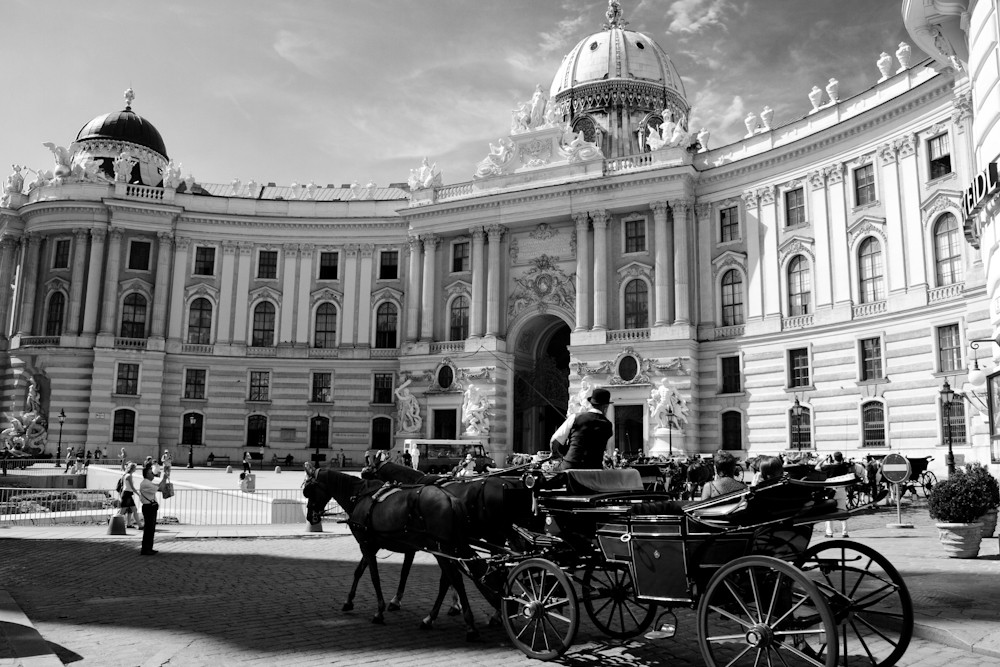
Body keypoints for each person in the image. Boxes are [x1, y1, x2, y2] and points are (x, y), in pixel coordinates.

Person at [548, 387, 614, 470]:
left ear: (591, 404)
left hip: (570, 466)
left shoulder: (575, 417)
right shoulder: (608, 425)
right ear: (605, 407)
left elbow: (554, 441)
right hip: (593, 468)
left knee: (548, 470)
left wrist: (554, 454)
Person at [816, 451, 851, 538]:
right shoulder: (844, 467)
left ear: (834, 458)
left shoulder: (829, 467)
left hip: (831, 490)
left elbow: (817, 468)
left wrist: (824, 459)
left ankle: (829, 533)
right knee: (843, 510)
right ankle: (845, 532)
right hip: (842, 489)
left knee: (829, 512)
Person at [137, 463, 164, 555]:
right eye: (151, 473)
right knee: (149, 528)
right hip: (149, 507)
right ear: (147, 474)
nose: (153, 474)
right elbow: (160, 488)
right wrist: (164, 478)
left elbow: (158, 487)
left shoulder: (147, 483)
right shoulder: (146, 483)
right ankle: (146, 548)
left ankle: (148, 547)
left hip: (150, 507)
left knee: (151, 528)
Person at [119, 462, 141, 529]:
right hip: (127, 494)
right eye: (135, 468)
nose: (136, 469)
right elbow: (132, 487)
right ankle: (139, 525)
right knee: (123, 510)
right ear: (132, 468)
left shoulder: (126, 475)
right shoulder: (129, 476)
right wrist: (138, 494)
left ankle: (131, 524)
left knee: (131, 509)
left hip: (126, 493)